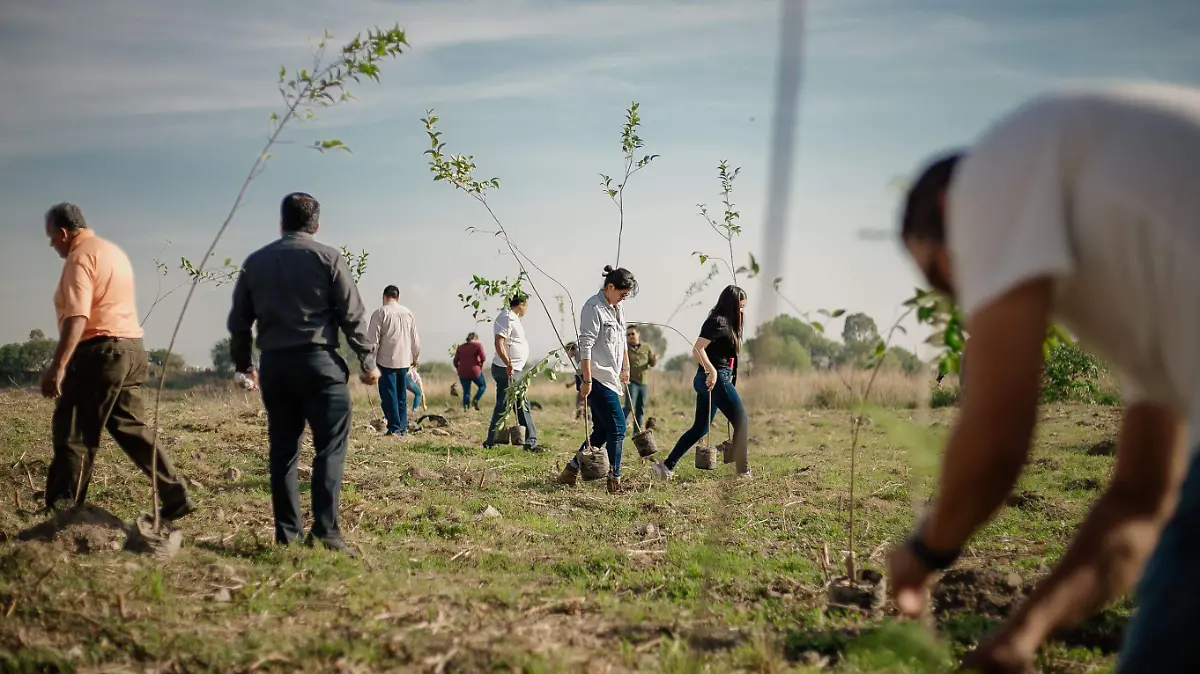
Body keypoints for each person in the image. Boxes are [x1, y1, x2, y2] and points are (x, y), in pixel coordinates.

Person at [887, 83, 1200, 674]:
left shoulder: (991, 174)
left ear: (949, 213)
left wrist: (926, 548)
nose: (958, 300)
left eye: (939, 275)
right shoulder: (1158, 300)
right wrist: (1022, 635)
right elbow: (1140, 502)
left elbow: (999, 428)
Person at [228, 192, 379, 557]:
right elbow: (353, 316)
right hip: (319, 366)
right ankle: (325, 531)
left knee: (283, 451)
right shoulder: (329, 258)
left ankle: (287, 535)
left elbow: (239, 322)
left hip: (276, 366)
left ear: (281, 223)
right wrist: (367, 361)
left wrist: (245, 365)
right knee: (329, 447)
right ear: (317, 224)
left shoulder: (256, 261)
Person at [39, 203, 195, 520]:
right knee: (131, 429)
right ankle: (175, 494)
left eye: (51, 237)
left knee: (74, 433)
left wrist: (58, 365)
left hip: (98, 352)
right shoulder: (112, 252)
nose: (52, 244)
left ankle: (63, 512)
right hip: (131, 349)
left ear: (64, 232)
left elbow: (78, 315)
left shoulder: (78, 258)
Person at [651, 285, 750, 480]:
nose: (742, 311)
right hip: (713, 378)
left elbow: (727, 354)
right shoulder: (717, 322)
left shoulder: (729, 324)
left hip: (716, 378)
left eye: (744, 307)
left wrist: (731, 373)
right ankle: (742, 471)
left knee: (700, 428)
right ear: (731, 305)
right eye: (740, 307)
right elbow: (697, 349)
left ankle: (665, 467)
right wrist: (712, 370)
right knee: (742, 421)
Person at [557, 267, 637, 494]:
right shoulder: (593, 308)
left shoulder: (618, 307)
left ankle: (571, 470)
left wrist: (626, 366)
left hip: (612, 377)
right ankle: (615, 479)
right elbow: (586, 346)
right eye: (622, 293)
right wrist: (587, 379)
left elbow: (621, 339)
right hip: (596, 377)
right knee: (619, 428)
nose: (624, 298)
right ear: (610, 287)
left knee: (602, 430)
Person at [483, 293, 546, 452]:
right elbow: (499, 343)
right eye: (527, 305)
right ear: (522, 304)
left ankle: (494, 440)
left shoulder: (513, 318)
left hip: (512, 368)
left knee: (510, 404)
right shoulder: (506, 317)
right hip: (507, 369)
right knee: (515, 404)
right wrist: (508, 363)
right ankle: (529, 442)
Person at [365, 285, 420, 437]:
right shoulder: (408, 313)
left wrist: (369, 362)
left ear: (384, 297)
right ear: (398, 297)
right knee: (401, 396)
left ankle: (394, 428)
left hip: (386, 361)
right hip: (404, 361)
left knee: (389, 396)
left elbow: (373, 341)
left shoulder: (380, 313)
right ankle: (401, 428)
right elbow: (415, 339)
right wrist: (415, 357)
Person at [623, 325, 658, 430]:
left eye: (632, 334)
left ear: (638, 334)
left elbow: (652, 363)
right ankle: (618, 427)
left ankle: (637, 432)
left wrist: (654, 359)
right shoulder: (625, 349)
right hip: (631, 381)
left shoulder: (646, 347)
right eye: (628, 335)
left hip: (643, 382)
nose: (630, 336)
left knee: (640, 408)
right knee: (629, 406)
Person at [453, 333, 487, 411]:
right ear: (475, 338)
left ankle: (466, 408)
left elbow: (455, 361)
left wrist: (458, 369)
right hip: (475, 371)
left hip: (463, 372)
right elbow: (483, 357)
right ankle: (475, 400)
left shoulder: (461, 347)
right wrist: (480, 365)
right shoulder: (478, 345)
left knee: (466, 391)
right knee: (482, 386)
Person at [564, 341, 585, 420]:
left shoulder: (579, 356)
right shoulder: (578, 354)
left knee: (580, 401)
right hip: (585, 379)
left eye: (567, 351)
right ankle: (582, 417)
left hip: (587, 380)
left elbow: (582, 373)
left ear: (571, 350)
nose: (567, 354)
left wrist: (571, 384)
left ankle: (579, 418)